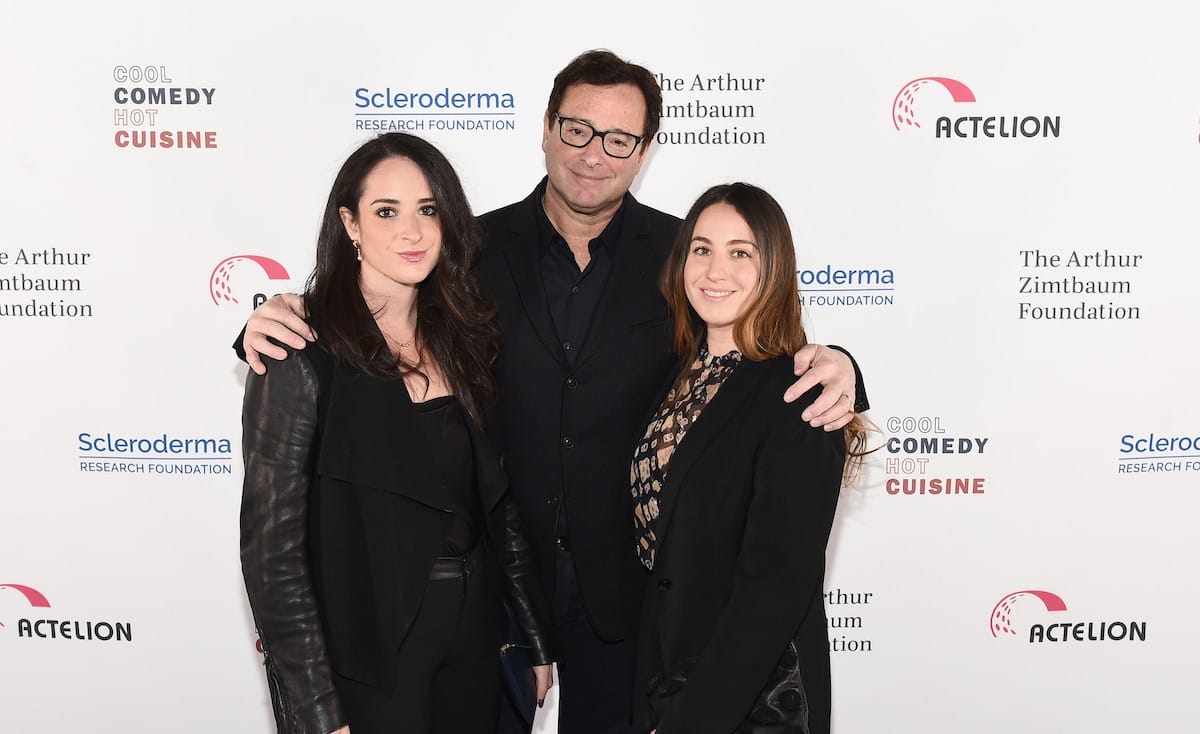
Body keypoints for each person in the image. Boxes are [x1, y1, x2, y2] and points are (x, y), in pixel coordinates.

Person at [238, 51, 868, 734]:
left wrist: (846, 368)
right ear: (545, 128)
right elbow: (372, 327)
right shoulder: (467, 252)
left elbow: (748, 355)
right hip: (501, 604)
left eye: (618, 138)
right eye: (576, 130)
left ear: (644, 151)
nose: (594, 154)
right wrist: (264, 326)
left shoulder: (681, 256)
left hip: (633, 607)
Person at [239, 132, 553, 734]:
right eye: (387, 211)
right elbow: (272, 554)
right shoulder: (301, 355)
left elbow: (495, 501)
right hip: (368, 652)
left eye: (427, 210)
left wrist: (533, 637)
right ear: (350, 224)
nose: (411, 231)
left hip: (475, 639)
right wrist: (316, 709)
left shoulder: (464, 341)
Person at [631, 183, 869, 734]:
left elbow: (775, 586)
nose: (717, 271)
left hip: (753, 701)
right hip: (664, 681)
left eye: (742, 252)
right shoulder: (678, 377)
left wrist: (695, 719)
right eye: (702, 248)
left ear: (774, 268)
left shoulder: (803, 393)